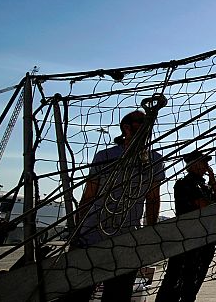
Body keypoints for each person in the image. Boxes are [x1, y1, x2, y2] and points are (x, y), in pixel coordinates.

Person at [65, 110, 165, 302]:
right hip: (92, 235)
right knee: (77, 292)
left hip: (128, 239)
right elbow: (88, 196)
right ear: (126, 128)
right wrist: (77, 232)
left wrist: (148, 234)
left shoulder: (155, 159)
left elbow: (153, 199)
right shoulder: (105, 156)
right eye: (141, 122)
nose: (146, 126)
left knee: (118, 295)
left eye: (148, 123)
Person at [156, 151, 216, 302]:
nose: (207, 166)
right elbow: (207, 207)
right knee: (174, 281)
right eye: (204, 162)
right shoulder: (184, 183)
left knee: (193, 284)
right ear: (194, 164)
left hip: (204, 242)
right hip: (187, 240)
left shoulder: (205, 185)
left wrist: (213, 182)